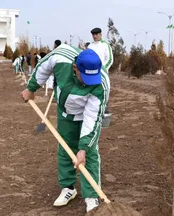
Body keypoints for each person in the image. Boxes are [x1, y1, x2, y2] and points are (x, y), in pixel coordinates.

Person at [20, 44, 110, 212]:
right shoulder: (60, 58)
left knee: (88, 152)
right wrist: (31, 88)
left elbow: (92, 119)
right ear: (75, 68)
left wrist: (83, 148)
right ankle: (68, 188)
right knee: (65, 147)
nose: (89, 83)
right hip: (65, 113)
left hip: (85, 114)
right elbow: (42, 68)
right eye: (85, 78)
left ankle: (91, 195)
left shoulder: (101, 84)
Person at [88, 27, 113, 114]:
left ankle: (104, 110)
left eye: (96, 34)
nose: (94, 36)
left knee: (104, 91)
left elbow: (110, 59)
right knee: (92, 93)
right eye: (93, 35)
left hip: (102, 74)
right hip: (90, 74)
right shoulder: (90, 46)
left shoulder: (106, 45)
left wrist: (103, 70)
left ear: (100, 34)